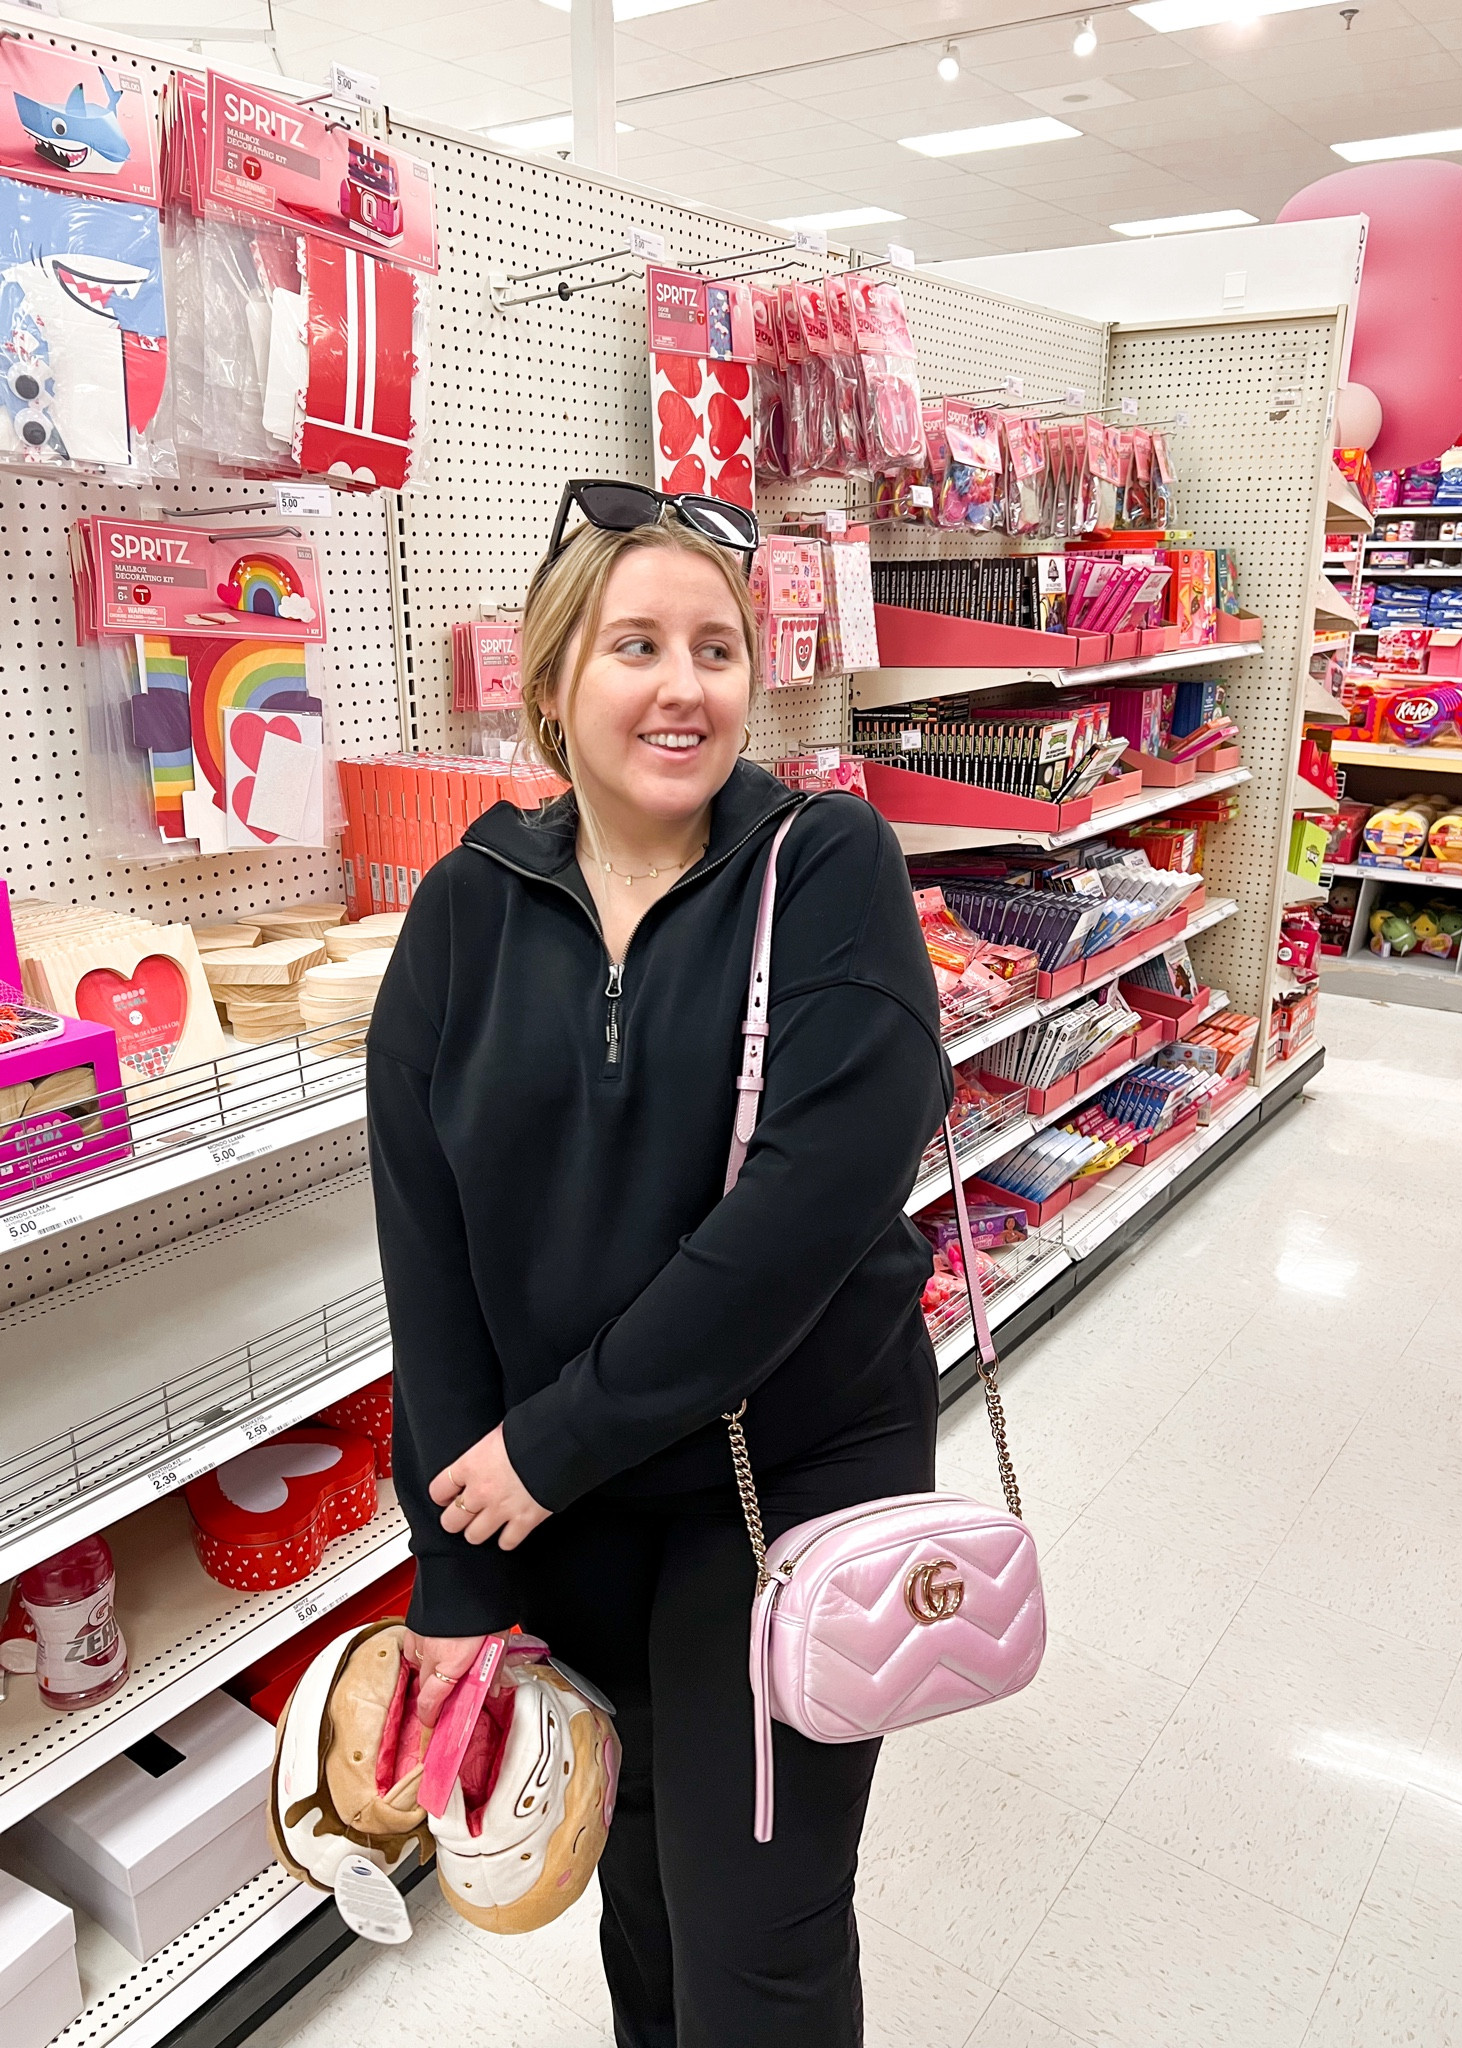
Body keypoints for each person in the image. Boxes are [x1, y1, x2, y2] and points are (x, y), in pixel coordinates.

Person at [367, 480, 951, 2047]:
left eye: (715, 648)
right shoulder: (467, 907)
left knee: (756, 1926)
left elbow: (809, 1213)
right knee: (633, 1875)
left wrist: (549, 1444)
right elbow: (427, 1248)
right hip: (568, 1503)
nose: (682, 686)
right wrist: (459, 1560)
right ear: (554, 679)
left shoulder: (823, 866)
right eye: (636, 644)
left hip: (787, 1480)